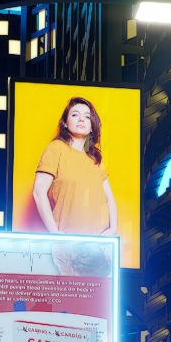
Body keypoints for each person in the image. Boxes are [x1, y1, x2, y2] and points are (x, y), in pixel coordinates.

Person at [31, 97, 118, 238]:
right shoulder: (56, 148)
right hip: (66, 244)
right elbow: (38, 192)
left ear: (92, 126)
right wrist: (54, 233)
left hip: (98, 246)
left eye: (87, 116)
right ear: (65, 123)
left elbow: (110, 199)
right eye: (75, 114)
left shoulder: (96, 158)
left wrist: (113, 229)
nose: (81, 119)